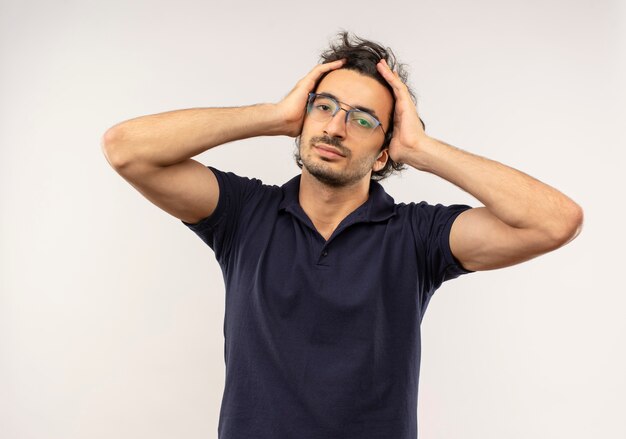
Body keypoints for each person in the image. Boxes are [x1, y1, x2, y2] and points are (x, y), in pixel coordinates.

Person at [101, 31, 583, 439]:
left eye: (363, 119)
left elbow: (555, 220)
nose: (335, 127)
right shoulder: (244, 213)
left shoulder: (417, 236)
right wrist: (273, 115)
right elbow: (126, 150)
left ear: (383, 154)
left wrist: (421, 147)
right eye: (324, 107)